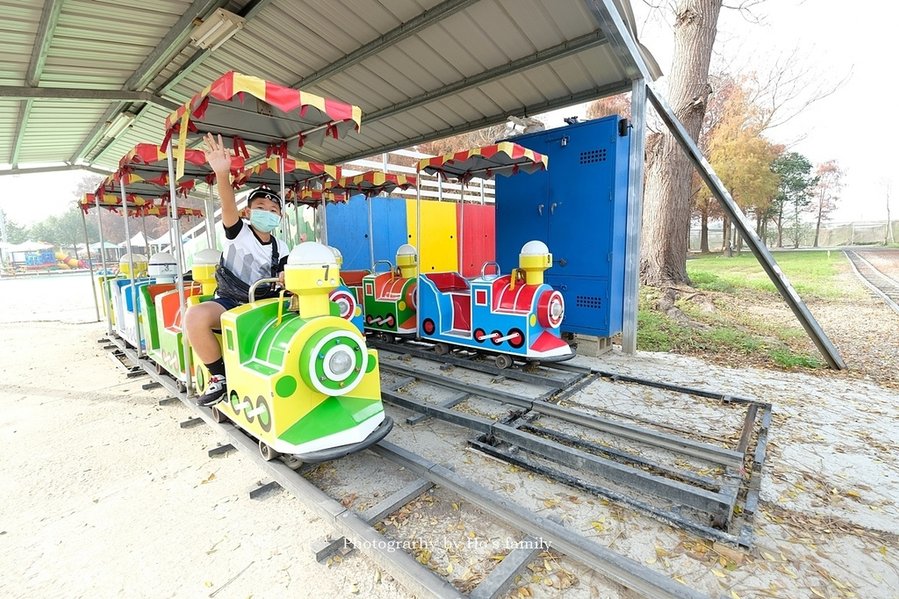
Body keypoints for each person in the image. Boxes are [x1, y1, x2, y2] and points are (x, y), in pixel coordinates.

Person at [185, 133, 289, 406]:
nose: (267, 211)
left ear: (280, 216)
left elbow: (287, 273)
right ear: (248, 212)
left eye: (273, 208)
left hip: (266, 304)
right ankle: (219, 376)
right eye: (260, 207)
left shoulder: (283, 245)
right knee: (195, 316)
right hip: (231, 301)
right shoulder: (238, 232)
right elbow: (228, 204)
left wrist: (287, 277)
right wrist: (222, 173)